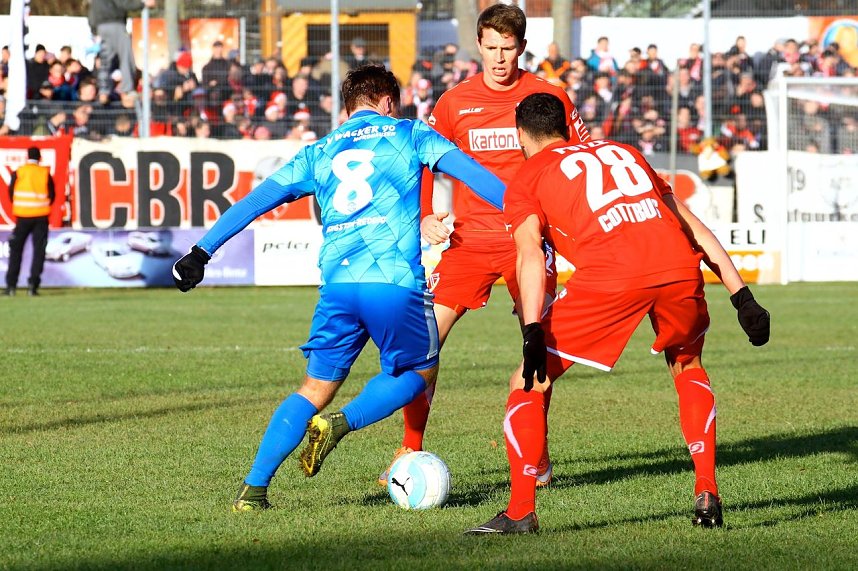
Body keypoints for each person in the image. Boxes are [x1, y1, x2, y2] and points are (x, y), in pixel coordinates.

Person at [171, 64, 506, 511]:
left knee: (312, 388)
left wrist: (201, 251)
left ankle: (253, 491)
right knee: (418, 374)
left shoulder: (319, 151)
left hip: (338, 288)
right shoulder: (409, 133)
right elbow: (475, 175)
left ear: (349, 106)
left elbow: (255, 201)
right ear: (387, 102)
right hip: (393, 285)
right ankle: (341, 424)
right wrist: (528, 209)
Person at [464, 92, 770, 534]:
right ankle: (706, 490)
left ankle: (519, 512)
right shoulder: (625, 151)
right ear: (567, 127)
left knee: (527, 381)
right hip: (677, 267)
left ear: (520, 135)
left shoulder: (528, 176)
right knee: (687, 364)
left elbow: (530, 254)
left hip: (611, 275)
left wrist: (532, 328)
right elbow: (691, 225)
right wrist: (742, 295)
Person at [378, 2, 590, 487]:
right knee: (423, 344)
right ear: (479, 45)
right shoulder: (454, 102)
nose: (499, 58)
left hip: (530, 241)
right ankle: (409, 449)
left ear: (522, 47)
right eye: (491, 47)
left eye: (508, 48)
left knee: (538, 345)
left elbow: (580, 159)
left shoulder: (548, 96)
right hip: (469, 242)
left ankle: (537, 460)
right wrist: (427, 214)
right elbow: (429, 162)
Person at [4, 147, 56, 296]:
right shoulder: (45, 173)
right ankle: (33, 286)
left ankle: (11, 287)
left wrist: (21, 205)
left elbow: (11, 192)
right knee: (38, 251)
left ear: (27, 157)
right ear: (40, 158)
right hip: (41, 217)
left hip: (22, 217)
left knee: (16, 250)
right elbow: (52, 195)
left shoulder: (20, 171)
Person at [88, 0, 156, 104]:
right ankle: (127, 90)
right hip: (115, 24)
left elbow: (92, 11)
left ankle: (103, 91)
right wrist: (143, 3)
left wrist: (94, 29)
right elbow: (123, 3)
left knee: (105, 61)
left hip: (100, 27)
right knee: (126, 56)